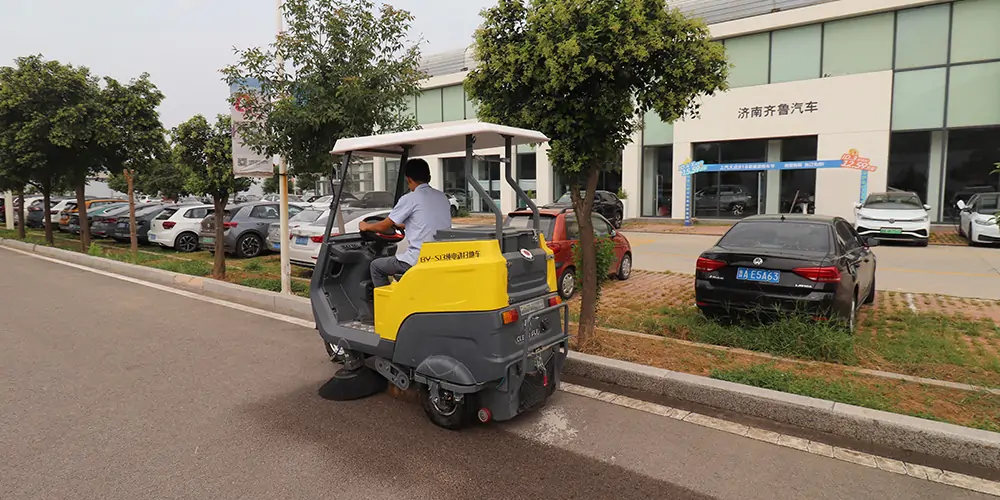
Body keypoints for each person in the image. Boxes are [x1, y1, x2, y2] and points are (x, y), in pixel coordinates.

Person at [359, 158, 452, 288]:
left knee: (376, 266)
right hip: (440, 258)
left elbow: (383, 226)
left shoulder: (410, 198)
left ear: (408, 179)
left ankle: (385, 306)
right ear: (429, 177)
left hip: (417, 259)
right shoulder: (442, 197)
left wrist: (366, 226)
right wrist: (404, 225)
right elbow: (426, 222)